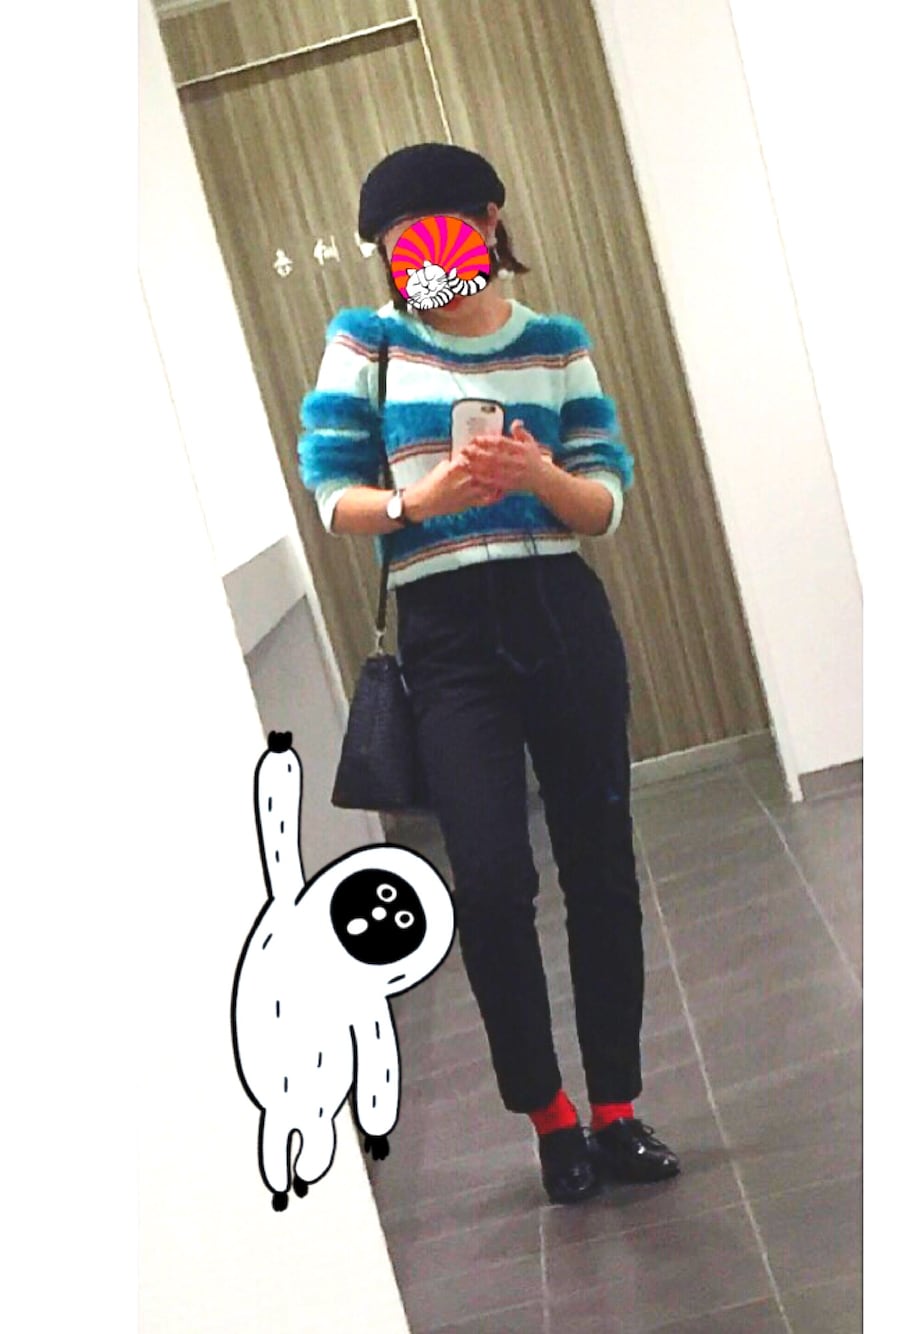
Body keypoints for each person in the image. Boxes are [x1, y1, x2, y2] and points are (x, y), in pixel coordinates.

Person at [298, 142, 680, 1205]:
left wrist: (538, 474)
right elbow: (332, 495)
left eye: (443, 230)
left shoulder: (556, 344)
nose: (424, 256)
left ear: (489, 222)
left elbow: (604, 502)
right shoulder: (366, 342)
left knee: (600, 864)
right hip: (448, 632)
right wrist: (420, 501)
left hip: (560, 609)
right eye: (399, 242)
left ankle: (616, 1109)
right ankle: (549, 1116)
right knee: (493, 876)